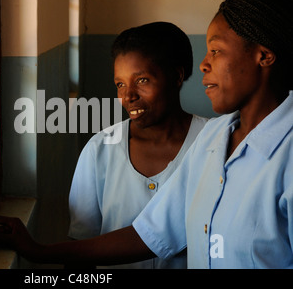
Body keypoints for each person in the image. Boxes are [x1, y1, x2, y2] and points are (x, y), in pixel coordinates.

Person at [0, 0, 293, 269]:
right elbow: (151, 233)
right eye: (119, 83)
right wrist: (38, 252)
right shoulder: (215, 139)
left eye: (216, 50)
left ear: (263, 56)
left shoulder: (284, 155)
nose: (204, 64)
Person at [67, 22, 208, 269]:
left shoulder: (213, 143)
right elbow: (81, 246)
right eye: (120, 84)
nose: (128, 95)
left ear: (177, 76)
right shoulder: (100, 150)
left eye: (142, 80)